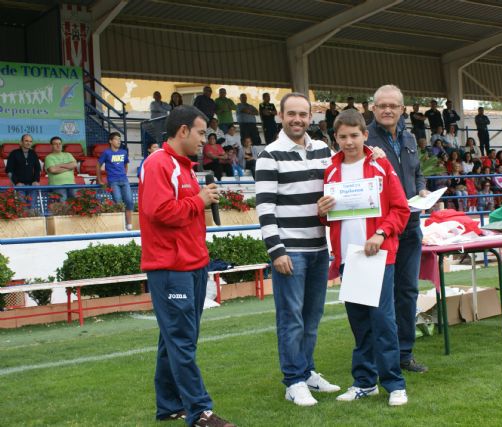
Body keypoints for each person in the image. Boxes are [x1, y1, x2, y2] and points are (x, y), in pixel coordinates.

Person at [138, 105, 234, 427]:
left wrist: (201, 197)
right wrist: (200, 201)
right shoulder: (157, 164)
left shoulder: (185, 167)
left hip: (192, 265)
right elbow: (160, 212)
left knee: (176, 340)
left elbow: (185, 210)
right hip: (170, 268)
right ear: (182, 131)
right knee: (180, 340)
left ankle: (168, 406)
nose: (204, 140)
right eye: (201, 132)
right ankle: (200, 412)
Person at [317, 109, 409, 406]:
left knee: (382, 320)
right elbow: (329, 219)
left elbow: (401, 209)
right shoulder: (331, 171)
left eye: (354, 135)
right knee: (359, 323)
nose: (349, 142)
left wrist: (381, 234)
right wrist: (321, 211)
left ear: (365, 135)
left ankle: (394, 384)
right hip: (349, 257)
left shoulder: (379, 164)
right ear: (335, 138)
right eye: (342, 136)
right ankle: (364, 382)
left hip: (378, 255)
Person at [255, 92, 341, 406]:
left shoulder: (323, 150)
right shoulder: (270, 154)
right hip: (290, 251)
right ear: (280, 116)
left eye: (303, 114)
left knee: (312, 316)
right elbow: (265, 207)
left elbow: (338, 187)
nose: (298, 120)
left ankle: (306, 372)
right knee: (291, 318)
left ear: (310, 117)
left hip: (319, 248)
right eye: (291, 114)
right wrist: (276, 250)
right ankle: (293, 381)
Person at [366, 84, 429, 373]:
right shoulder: (364, 138)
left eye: (393, 106)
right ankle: (381, 355)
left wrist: (422, 190)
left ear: (402, 109)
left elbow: (417, 173)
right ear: (373, 108)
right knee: (381, 294)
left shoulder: (409, 137)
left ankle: (404, 353)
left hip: (412, 225)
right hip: (383, 228)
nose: (388, 110)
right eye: (382, 105)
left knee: (408, 291)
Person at [97, 132, 133, 230]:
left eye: (119, 139)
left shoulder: (123, 152)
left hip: (124, 180)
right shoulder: (106, 152)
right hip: (113, 181)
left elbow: (126, 164)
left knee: (129, 201)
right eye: (116, 139)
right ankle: (121, 225)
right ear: (110, 141)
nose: (119, 141)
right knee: (117, 201)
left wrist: (124, 173)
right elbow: (98, 165)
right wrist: (99, 179)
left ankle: (129, 225)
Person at [6, 133, 41, 208]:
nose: (28, 143)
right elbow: (9, 171)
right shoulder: (14, 153)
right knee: (23, 208)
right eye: (26, 141)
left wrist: (36, 181)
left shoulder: (33, 153)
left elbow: (38, 169)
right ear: (21, 142)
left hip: (32, 186)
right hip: (19, 186)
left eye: (30, 141)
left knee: (32, 207)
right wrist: (16, 182)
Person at [45, 136, 77, 201]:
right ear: (51, 146)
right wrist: (68, 167)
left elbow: (74, 165)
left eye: (59, 144)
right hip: (57, 185)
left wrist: (60, 165)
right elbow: (53, 170)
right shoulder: (49, 157)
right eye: (55, 144)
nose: (58, 145)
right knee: (62, 204)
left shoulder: (68, 154)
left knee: (75, 203)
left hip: (71, 184)